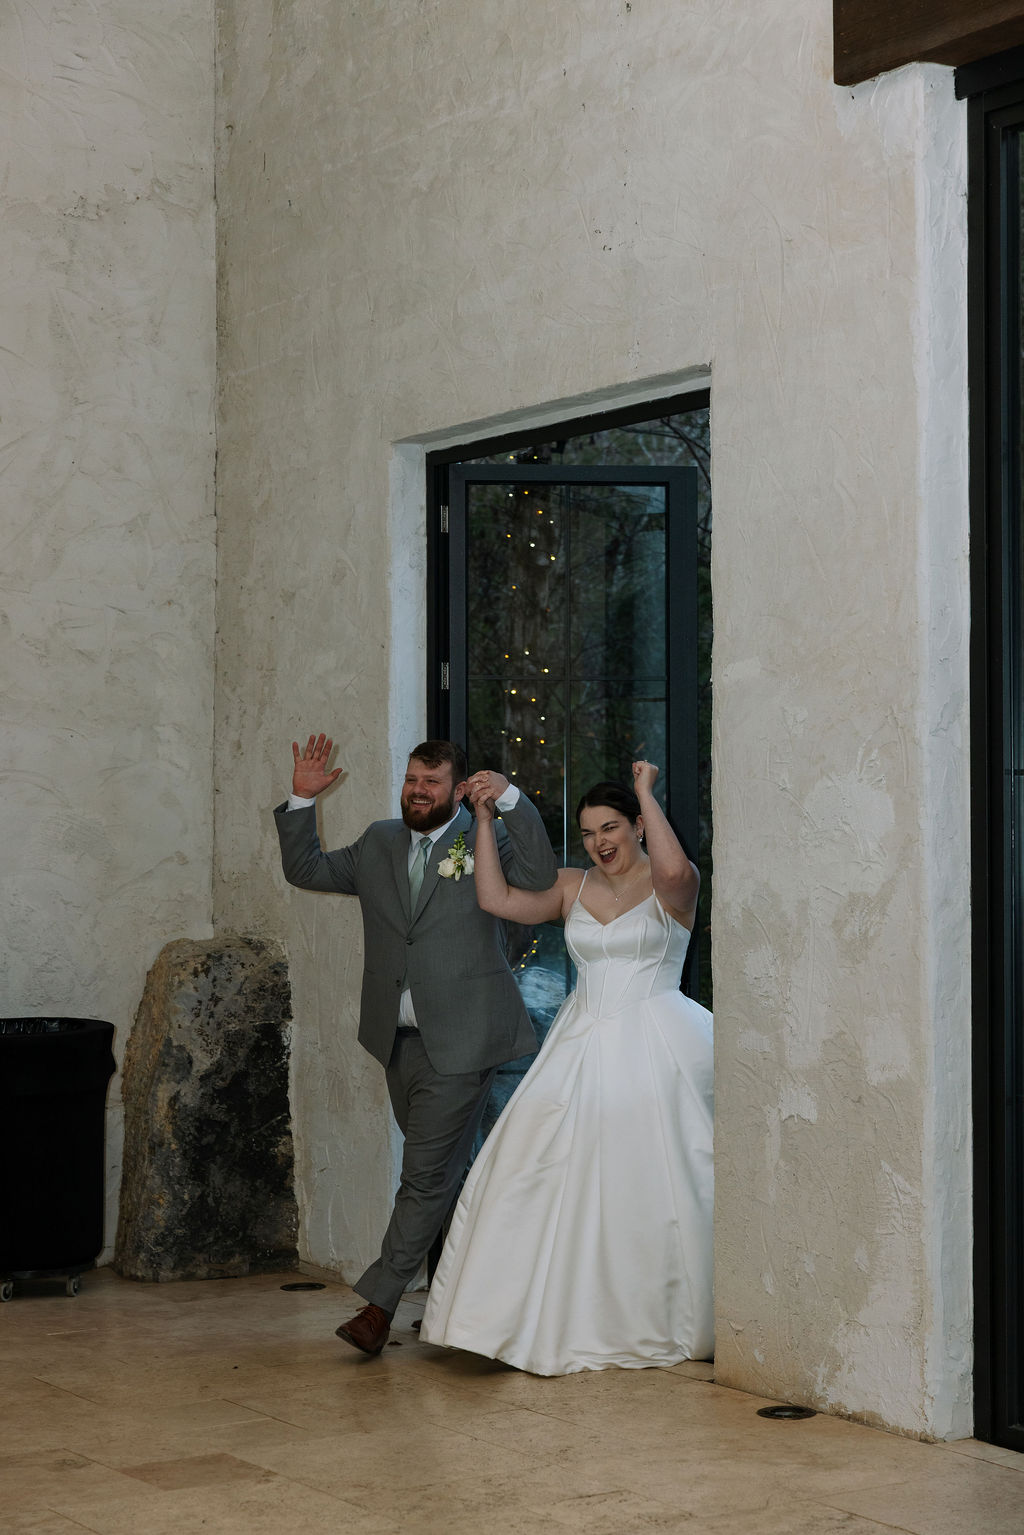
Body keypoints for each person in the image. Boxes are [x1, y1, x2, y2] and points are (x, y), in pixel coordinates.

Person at [420, 760, 714, 1375]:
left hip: (656, 1038)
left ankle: (651, 1311)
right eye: (587, 833)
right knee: (534, 1167)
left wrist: (645, 792)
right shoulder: (570, 886)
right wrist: (481, 818)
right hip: (581, 1042)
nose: (600, 842)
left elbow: (675, 869)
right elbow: (495, 899)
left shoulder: (672, 891)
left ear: (636, 826)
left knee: (654, 1176)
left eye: (611, 827)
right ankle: (520, 1316)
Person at [274, 735, 558, 1356]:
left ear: (456, 789)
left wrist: (509, 798)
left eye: (431, 782)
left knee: (424, 1175)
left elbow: (538, 877)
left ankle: (378, 1307)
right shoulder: (379, 842)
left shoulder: (486, 837)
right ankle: (476, 1300)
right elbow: (308, 870)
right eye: (411, 780)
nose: (417, 792)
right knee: (445, 1174)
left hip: (466, 1038)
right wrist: (301, 797)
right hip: (396, 1040)